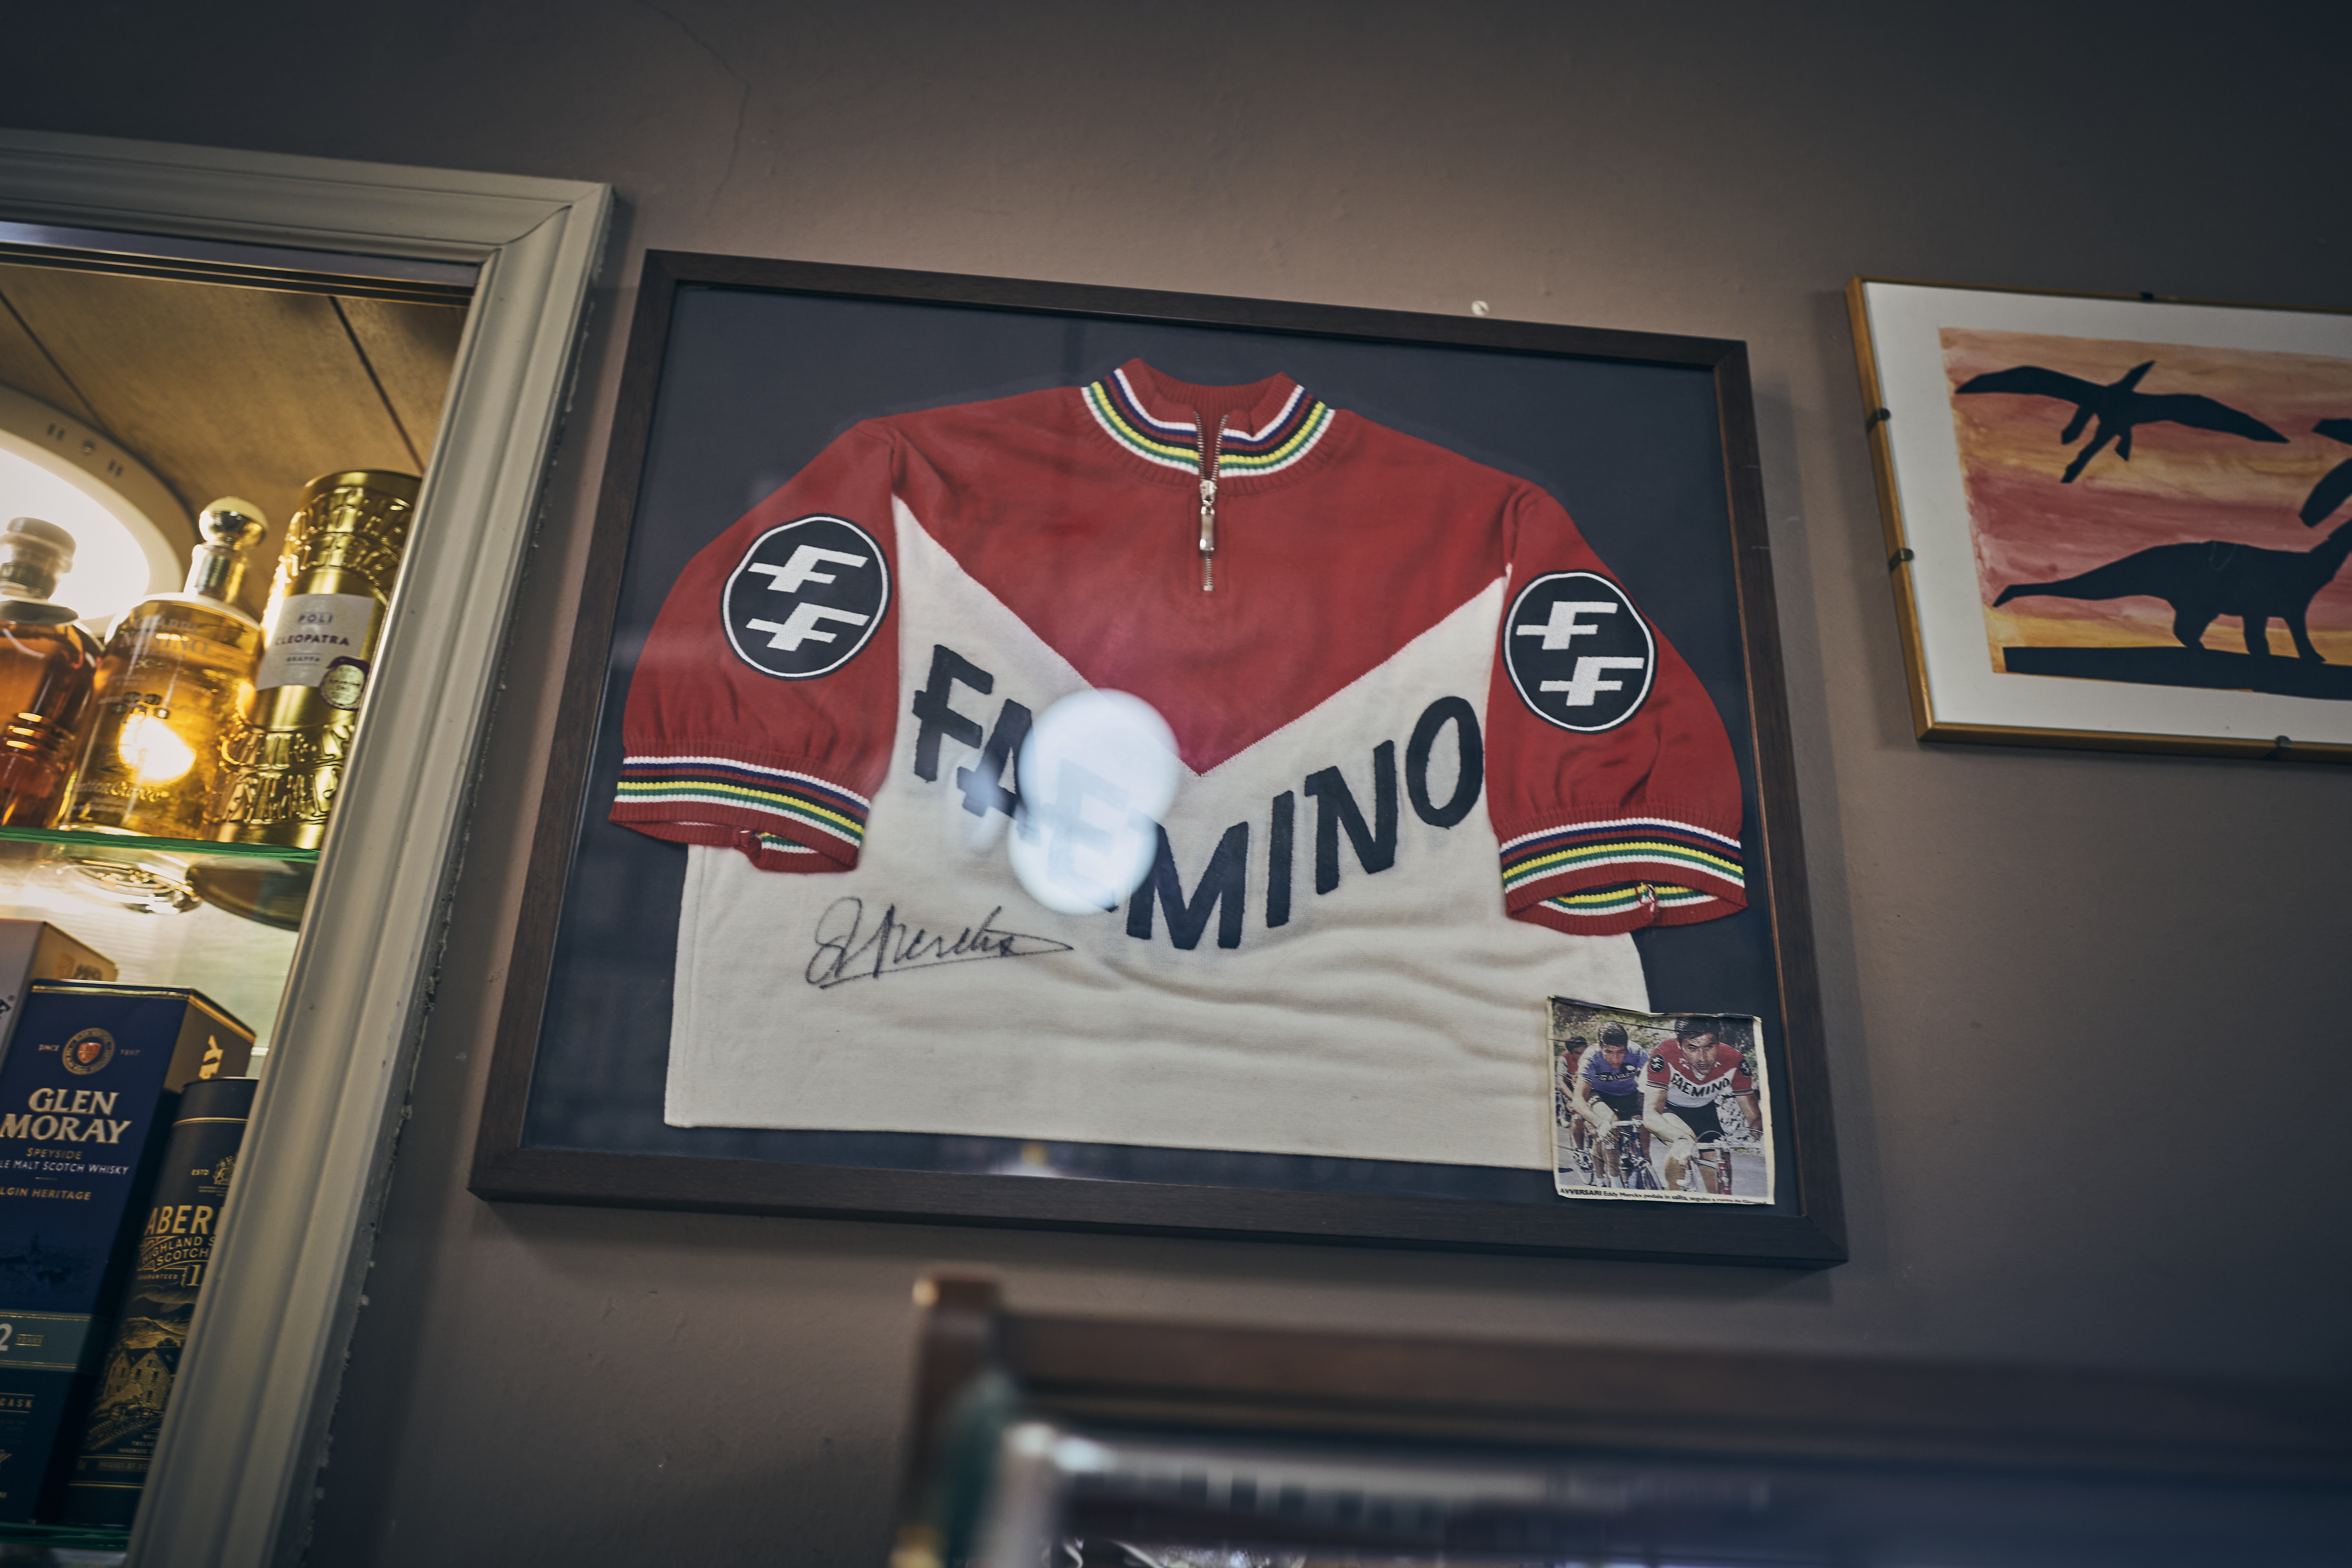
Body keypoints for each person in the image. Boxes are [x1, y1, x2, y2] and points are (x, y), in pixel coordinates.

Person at [1641, 1017, 1761, 1195]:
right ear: (1679, 1044)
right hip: (1666, 1105)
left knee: (1720, 1164)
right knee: (1685, 1141)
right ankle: (1673, 1197)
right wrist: (1680, 1140)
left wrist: (1762, 1133)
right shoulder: (1665, 1054)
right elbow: (1651, 1115)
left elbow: (1755, 1120)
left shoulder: (1734, 1060)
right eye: (1692, 1048)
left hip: (1703, 1108)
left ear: (1719, 1039)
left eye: (1709, 1047)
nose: (1703, 1058)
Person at [1571, 1022, 1649, 1185]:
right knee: (1610, 1125)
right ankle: (1614, 1182)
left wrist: (1646, 1112)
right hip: (1599, 1095)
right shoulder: (1591, 1057)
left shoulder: (1637, 1052)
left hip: (1629, 1094)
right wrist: (1599, 1123)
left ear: (1627, 1047)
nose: (1615, 1059)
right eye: (1609, 1052)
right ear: (1600, 1047)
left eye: (1621, 1052)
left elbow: (1653, 1084)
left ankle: (1645, 1177)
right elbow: (1578, 1100)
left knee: (1644, 1134)